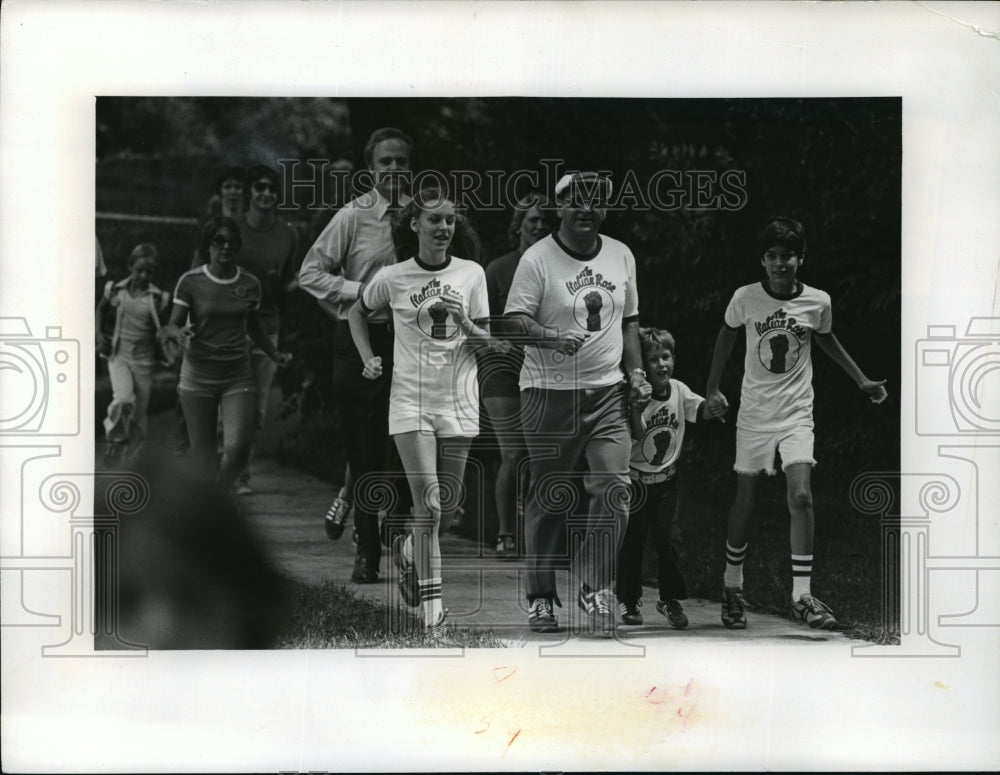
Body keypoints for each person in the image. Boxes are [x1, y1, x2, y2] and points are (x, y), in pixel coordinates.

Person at [705, 216, 888, 631]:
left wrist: (860, 379)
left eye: (787, 255)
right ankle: (732, 586)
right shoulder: (746, 298)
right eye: (771, 256)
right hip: (754, 414)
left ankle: (801, 595)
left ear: (801, 258)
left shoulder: (817, 301)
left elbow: (825, 337)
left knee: (801, 496)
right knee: (746, 502)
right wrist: (713, 388)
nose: (779, 263)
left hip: (796, 414)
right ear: (762, 260)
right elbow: (727, 334)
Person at [504, 171, 651, 635]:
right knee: (550, 496)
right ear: (560, 207)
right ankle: (542, 598)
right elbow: (513, 322)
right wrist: (550, 337)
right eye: (577, 200)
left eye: (597, 201)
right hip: (549, 392)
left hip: (607, 390)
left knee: (616, 488)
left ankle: (593, 584)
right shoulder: (538, 259)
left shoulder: (621, 254)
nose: (587, 208)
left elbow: (629, 321)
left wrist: (638, 372)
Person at [348, 186, 495, 632]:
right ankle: (433, 612)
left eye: (451, 220)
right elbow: (356, 312)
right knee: (428, 504)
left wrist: (466, 321)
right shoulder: (393, 277)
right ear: (415, 225)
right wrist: (367, 357)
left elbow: (488, 344)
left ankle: (412, 550)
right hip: (410, 400)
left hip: (459, 401)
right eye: (435, 220)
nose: (445, 227)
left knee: (445, 510)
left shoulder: (472, 275)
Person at [298, 127, 413, 584]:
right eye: (385, 162)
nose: (393, 170)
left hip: (408, 341)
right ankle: (367, 551)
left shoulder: (420, 216)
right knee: (363, 450)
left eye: (401, 161)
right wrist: (356, 291)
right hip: (359, 339)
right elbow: (310, 272)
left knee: (408, 442)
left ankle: (398, 530)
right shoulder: (353, 216)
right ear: (371, 169)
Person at [163, 217, 291, 493]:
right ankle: (213, 505)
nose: (226, 246)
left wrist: (274, 353)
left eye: (232, 241)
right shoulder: (191, 281)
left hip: (237, 375)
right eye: (219, 240)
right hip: (198, 376)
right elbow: (172, 323)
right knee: (204, 455)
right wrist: (178, 333)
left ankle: (219, 494)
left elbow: (254, 325)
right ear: (208, 244)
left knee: (238, 446)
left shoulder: (249, 282)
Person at [616, 327, 722, 628]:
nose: (662, 364)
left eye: (666, 356)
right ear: (641, 365)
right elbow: (635, 435)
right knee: (632, 544)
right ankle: (629, 599)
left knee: (668, 540)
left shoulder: (678, 389)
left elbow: (699, 410)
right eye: (653, 359)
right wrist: (636, 409)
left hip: (666, 482)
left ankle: (669, 599)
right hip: (635, 482)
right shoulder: (635, 396)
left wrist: (714, 407)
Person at [480, 192, 557, 559]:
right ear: (519, 226)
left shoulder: (557, 267)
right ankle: (506, 533)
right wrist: (498, 346)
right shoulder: (498, 268)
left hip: (544, 371)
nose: (539, 226)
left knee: (541, 456)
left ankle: (539, 533)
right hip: (503, 373)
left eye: (545, 221)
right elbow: (479, 322)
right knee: (513, 454)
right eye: (532, 220)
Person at [228, 164, 300, 494]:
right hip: (227, 328)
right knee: (229, 402)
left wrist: (299, 285)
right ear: (249, 193)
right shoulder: (231, 228)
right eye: (260, 187)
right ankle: (229, 471)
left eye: (272, 188)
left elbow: (288, 280)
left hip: (268, 326)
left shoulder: (287, 234)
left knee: (256, 410)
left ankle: (237, 469)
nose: (267, 193)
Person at [95, 243, 171, 467]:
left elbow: (166, 327)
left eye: (149, 271)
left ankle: (132, 461)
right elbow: (100, 309)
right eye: (140, 270)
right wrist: (99, 334)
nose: (144, 275)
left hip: (145, 362)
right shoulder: (115, 290)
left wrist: (166, 337)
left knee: (139, 415)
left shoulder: (159, 298)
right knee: (123, 400)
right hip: (119, 357)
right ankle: (116, 442)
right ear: (130, 266)